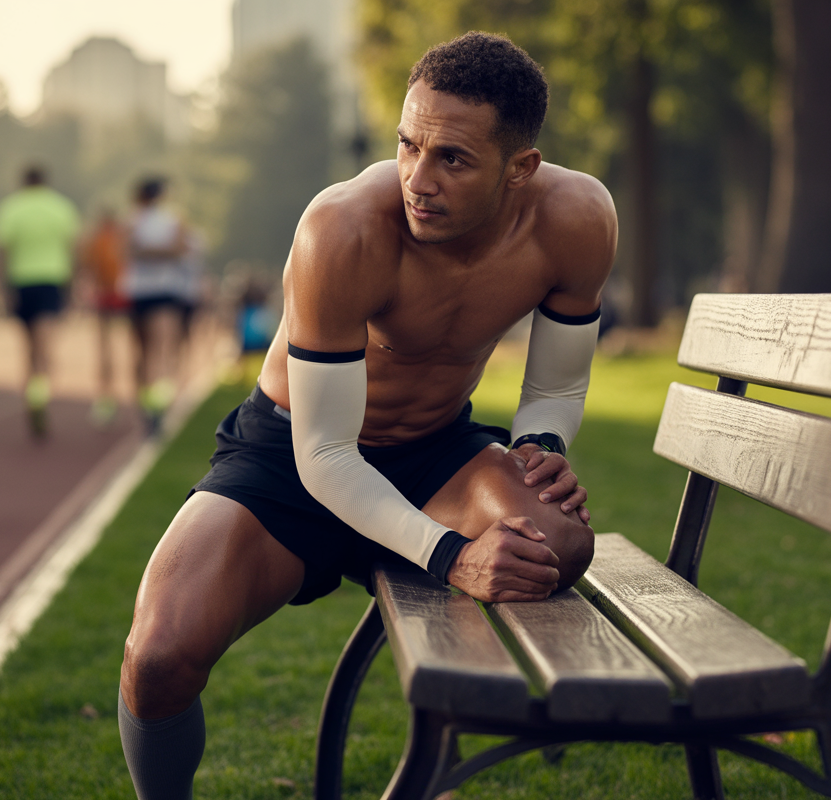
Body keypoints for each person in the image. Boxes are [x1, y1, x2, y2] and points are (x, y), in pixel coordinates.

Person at [117, 32, 616, 799]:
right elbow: (325, 455)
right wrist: (452, 556)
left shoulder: (576, 219)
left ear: (522, 170)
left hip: (434, 453)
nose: (418, 178)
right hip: (292, 455)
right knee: (158, 659)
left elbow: (555, 389)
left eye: (452, 158)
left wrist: (541, 443)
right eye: (408, 145)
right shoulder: (343, 229)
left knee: (554, 546)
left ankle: (436, 760)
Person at [0, 165, 81, 438]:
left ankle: (34, 395)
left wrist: (2, 287)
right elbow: (72, 249)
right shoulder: (61, 207)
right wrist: (72, 286)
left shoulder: (10, 208)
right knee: (44, 344)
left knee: (30, 347)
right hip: (51, 280)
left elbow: (2, 250)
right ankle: (40, 396)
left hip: (21, 282)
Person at [123, 176, 191, 434]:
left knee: (148, 352)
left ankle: (152, 407)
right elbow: (174, 249)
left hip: (148, 291)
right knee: (154, 351)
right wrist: (162, 252)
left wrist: (146, 251)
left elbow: (176, 249)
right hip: (153, 290)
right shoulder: (143, 219)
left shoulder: (143, 220)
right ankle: (153, 405)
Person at [80, 207, 128, 427]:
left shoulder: (109, 238)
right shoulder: (104, 239)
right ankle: (107, 395)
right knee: (108, 347)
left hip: (115, 294)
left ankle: (108, 396)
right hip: (109, 295)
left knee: (107, 347)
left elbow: (87, 267)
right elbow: (87, 267)